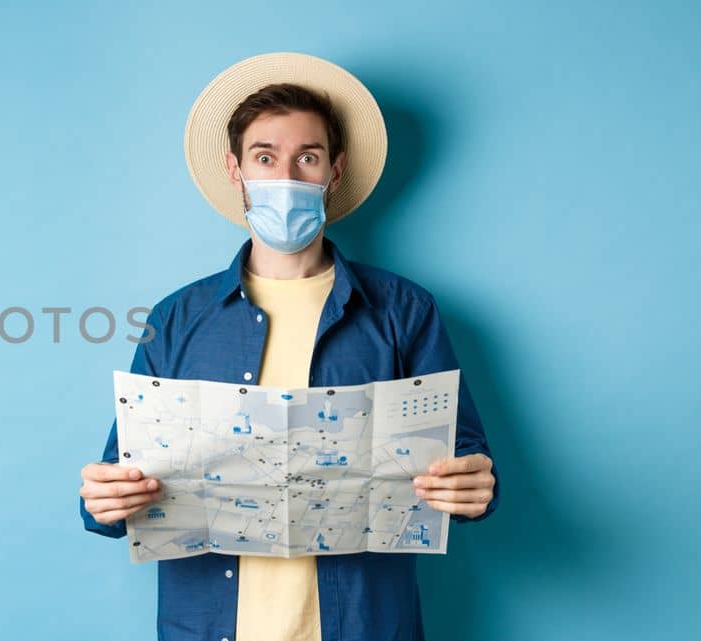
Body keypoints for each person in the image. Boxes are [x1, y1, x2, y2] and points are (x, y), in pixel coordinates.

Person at [76, 53, 499, 641]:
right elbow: (116, 485)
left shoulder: (405, 311)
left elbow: (466, 460)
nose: (286, 178)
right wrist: (103, 498)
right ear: (236, 170)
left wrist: (476, 484)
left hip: (364, 624)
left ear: (334, 170)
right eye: (265, 158)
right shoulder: (177, 319)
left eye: (308, 157)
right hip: (209, 625)